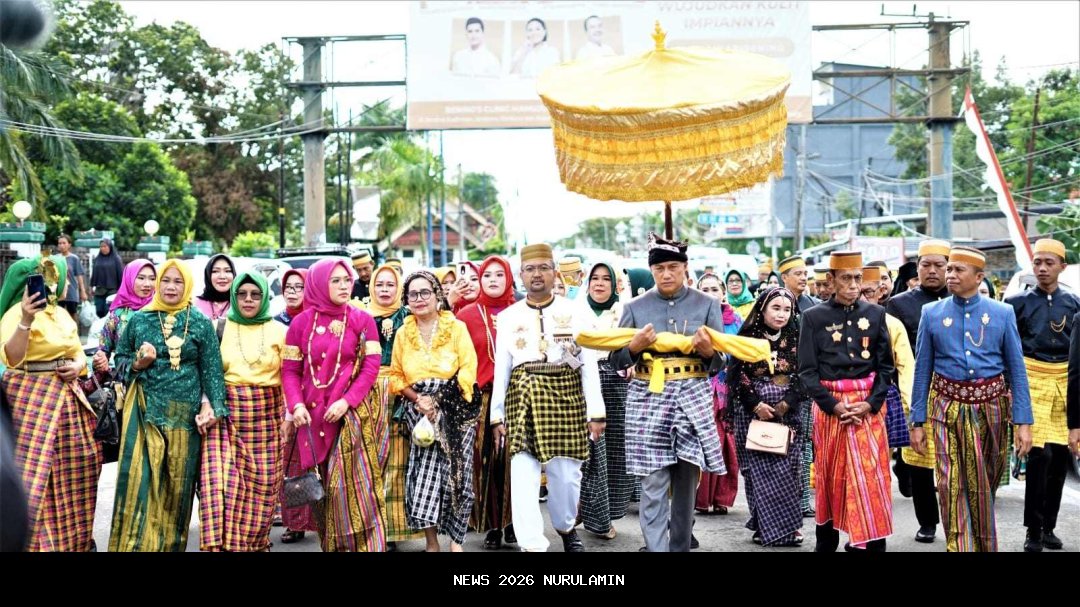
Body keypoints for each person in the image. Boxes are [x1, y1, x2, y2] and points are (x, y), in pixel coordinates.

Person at [910, 246, 1034, 552]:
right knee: (950, 484)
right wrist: (917, 420)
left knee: (984, 484)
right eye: (948, 269)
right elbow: (922, 370)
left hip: (992, 409)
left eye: (957, 270)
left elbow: (1017, 371)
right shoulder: (932, 313)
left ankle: (981, 543)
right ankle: (959, 545)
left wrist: (1023, 422)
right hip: (945, 407)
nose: (949, 275)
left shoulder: (1002, 313)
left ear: (979, 277)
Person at [609, 233, 726, 552]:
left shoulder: (707, 305)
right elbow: (614, 359)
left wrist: (707, 353)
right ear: (652, 271)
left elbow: (721, 361)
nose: (667, 274)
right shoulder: (635, 307)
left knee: (687, 482)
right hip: (649, 399)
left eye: (673, 266)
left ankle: (680, 546)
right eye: (660, 268)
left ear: (686, 268)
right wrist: (633, 347)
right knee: (653, 481)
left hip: (692, 399)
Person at [489, 243, 605, 552]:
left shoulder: (575, 311)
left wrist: (596, 412)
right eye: (530, 269)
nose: (537, 274)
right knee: (523, 474)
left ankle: (566, 528)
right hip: (522, 396)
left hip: (566, 395)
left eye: (543, 267)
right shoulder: (509, 316)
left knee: (566, 475)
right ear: (521, 276)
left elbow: (589, 364)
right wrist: (496, 416)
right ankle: (532, 545)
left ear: (554, 272)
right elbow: (502, 367)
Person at [109, 260, 228, 551]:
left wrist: (211, 407)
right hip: (145, 412)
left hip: (185, 419)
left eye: (177, 281)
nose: (171, 287)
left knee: (177, 490)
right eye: (165, 281)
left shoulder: (199, 322)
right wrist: (138, 362)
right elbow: (119, 362)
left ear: (186, 284)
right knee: (139, 484)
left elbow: (211, 370)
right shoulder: (140, 320)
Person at [282, 258, 384, 552]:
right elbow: (290, 370)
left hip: (349, 418)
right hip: (311, 420)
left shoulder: (362, 319)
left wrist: (346, 401)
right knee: (324, 495)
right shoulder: (301, 323)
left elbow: (370, 367)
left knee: (353, 490)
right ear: (318, 284)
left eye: (347, 279)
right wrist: (297, 405)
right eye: (335, 280)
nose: (344, 285)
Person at [0, 255, 101, 551]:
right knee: (34, 478)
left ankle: (72, 541)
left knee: (76, 471)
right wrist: (26, 320)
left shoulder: (61, 314)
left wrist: (78, 363)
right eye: (60, 275)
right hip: (30, 399)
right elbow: (13, 358)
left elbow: (77, 352)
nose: (66, 281)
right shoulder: (14, 314)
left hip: (68, 401)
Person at [799, 251, 895, 552]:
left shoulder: (876, 315)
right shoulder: (813, 318)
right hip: (832, 411)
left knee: (871, 478)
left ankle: (870, 542)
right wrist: (834, 406)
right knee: (831, 478)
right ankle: (826, 543)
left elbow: (886, 368)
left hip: (868, 409)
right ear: (831, 280)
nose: (854, 285)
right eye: (846, 279)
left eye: (857, 279)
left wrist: (869, 404)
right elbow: (807, 371)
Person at [389, 271, 479, 552]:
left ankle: (455, 540)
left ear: (438, 295)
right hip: (419, 413)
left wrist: (438, 399)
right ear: (406, 300)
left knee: (458, 476)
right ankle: (431, 543)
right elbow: (396, 376)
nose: (419, 299)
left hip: (456, 408)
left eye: (425, 292)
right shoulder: (403, 333)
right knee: (424, 477)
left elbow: (468, 368)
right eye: (413, 294)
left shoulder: (456, 328)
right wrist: (419, 400)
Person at [200, 271, 287, 552]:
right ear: (234, 296)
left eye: (255, 294)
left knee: (262, 494)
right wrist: (207, 405)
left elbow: (290, 378)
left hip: (267, 421)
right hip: (224, 418)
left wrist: (289, 420)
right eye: (242, 294)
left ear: (264, 297)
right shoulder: (218, 327)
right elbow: (209, 374)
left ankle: (252, 545)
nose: (248, 299)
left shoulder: (280, 332)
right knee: (218, 489)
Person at [1005, 239, 1078, 551]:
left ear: (1062, 266)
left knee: (1060, 459)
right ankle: (1032, 530)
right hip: (1030, 380)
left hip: (1064, 381)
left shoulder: (1074, 303)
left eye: (1049, 262)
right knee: (1039, 456)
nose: (1043, 268)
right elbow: (1006, 349)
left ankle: (1049, 526)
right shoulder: (1015, 303)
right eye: (1038, 263)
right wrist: (1010, 388)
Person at [729, 287, 807, 546]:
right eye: (776, 308)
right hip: (751, 415)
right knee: (756, 473)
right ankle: (764, 524)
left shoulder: (799, 337)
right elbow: (737, 374)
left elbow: (806, 374)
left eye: (787, 309)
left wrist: (786, 404)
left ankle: (790, 528)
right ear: (762, 309)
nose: (782, 314)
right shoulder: (747, 337)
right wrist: (756, 404)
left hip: (789, 415)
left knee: (788, 472)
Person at [885, 239, 949, 543]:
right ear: (918, 267)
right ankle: (927, 522)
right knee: (920, 459)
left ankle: (955, 516)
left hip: (956, 389)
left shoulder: (959, 299)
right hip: (916, 389)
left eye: (939, 265)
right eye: (926, 265)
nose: (932, 271)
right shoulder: (899, 304)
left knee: (955, 459)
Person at [456, 256, 517, 549]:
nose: (492, 280)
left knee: (514, 460)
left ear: (508, 278)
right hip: (480, 399)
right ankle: (493, 525)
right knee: (486, 462)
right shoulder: (466, 315)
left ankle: (515, 522)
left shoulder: (521, 311)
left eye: (499, 274)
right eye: (487, 275)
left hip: (517, 397)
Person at [365, 263, 423, 549]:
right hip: (367, 395)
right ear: (371, 287)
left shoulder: (409, 317)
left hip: (401, 392)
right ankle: (371, 526)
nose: (385, 290)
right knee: (372, 461)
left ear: (399, 288)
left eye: (390, 285)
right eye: (380, 285)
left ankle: (391, 530)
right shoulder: (360, 317)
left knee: (397, 462)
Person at [577, 261, 634, 540]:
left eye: (605, 280)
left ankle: (605, 513)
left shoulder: (623, 310)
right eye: (594, 279)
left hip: (616, 380)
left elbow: (634, 346)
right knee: (590, 451)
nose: (599, 284)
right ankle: (596, 517)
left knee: (615, 453)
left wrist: (632, 361)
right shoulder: (575, 311)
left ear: (614, 284)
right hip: (584, 382)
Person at [273, 268, 316, 544]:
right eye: (288, 286)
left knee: (316, 461)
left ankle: (323, 520)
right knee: (292, 462)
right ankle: (295, 522)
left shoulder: (316, 318)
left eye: (299, 286)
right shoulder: (274, 321)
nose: (292, 291)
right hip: (284, 397)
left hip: (314, 397)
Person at [695, 272, 741, 516]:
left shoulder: (736, 320)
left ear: (723, 292)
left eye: (715, 289)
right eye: (705, 289)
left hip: (728, 391)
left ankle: (722, 498)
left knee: (727, 445)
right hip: (700, 389)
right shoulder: (692, 319)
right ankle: (701, 498)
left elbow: (743, 353)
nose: (711, 294)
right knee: (702, 442)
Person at [92, 259, 155, 374]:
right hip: (126, 382)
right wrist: (99, 360)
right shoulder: (118, 315)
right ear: (129, 279)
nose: (147, 284)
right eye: (141, 278)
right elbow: (103, 349)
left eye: (152, 279)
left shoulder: (160, 311)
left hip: (159, 383)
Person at [193, 253, 235, 321]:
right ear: (208, 275)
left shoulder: (240, 304)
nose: (222, 276)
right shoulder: (195, 305)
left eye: (228, 271)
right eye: (215, 271)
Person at [56, 234, 88, 321]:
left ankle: (74, 333)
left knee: (72, 314)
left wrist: (83, 292)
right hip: (58, 291)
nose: (61, 245)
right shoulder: (55, 258)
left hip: (71, 291)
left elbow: (79, 276)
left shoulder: (74, 258)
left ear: (69, 245)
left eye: (64, 243)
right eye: (60, 243)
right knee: (58, 315)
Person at [91, 237, 124, 318]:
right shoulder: (98, 259)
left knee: (108, 311)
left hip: (112, 290)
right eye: (101, 246)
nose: (103, 248)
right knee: (99, 310)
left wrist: (121, 289)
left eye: (105, 246)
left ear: (110, 247)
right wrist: (92, 286)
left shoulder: (116, 259)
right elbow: (94, 273)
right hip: (99, 290)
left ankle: (108, 330)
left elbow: (120, 274)